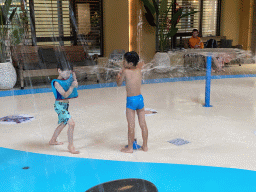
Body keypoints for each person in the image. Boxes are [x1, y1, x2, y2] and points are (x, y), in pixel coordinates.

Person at [116, 51, 148, 153]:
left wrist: (118, 76)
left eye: (124, 61)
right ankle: (145, 146)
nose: (122, 62)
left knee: (131, 125)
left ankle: (130, 148)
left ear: (130, 64)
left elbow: (119, 83)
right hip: (140, 99)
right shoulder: (139, 70)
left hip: (131, 101)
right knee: (143, 124)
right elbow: (140, 64)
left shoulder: (125, 71)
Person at [49, 62, 80, 154]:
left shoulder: (69, 77)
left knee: (63, 123)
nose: (68, 76)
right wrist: (72, 86)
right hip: (59, 106)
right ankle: (70, 146)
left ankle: (52, 140)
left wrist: (75, 80)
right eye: (66, 73)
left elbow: (76, 85)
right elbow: (65, 94)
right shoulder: (56, 83)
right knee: (72, 123)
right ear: (59, 70)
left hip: (65, 106)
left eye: (69, 73)